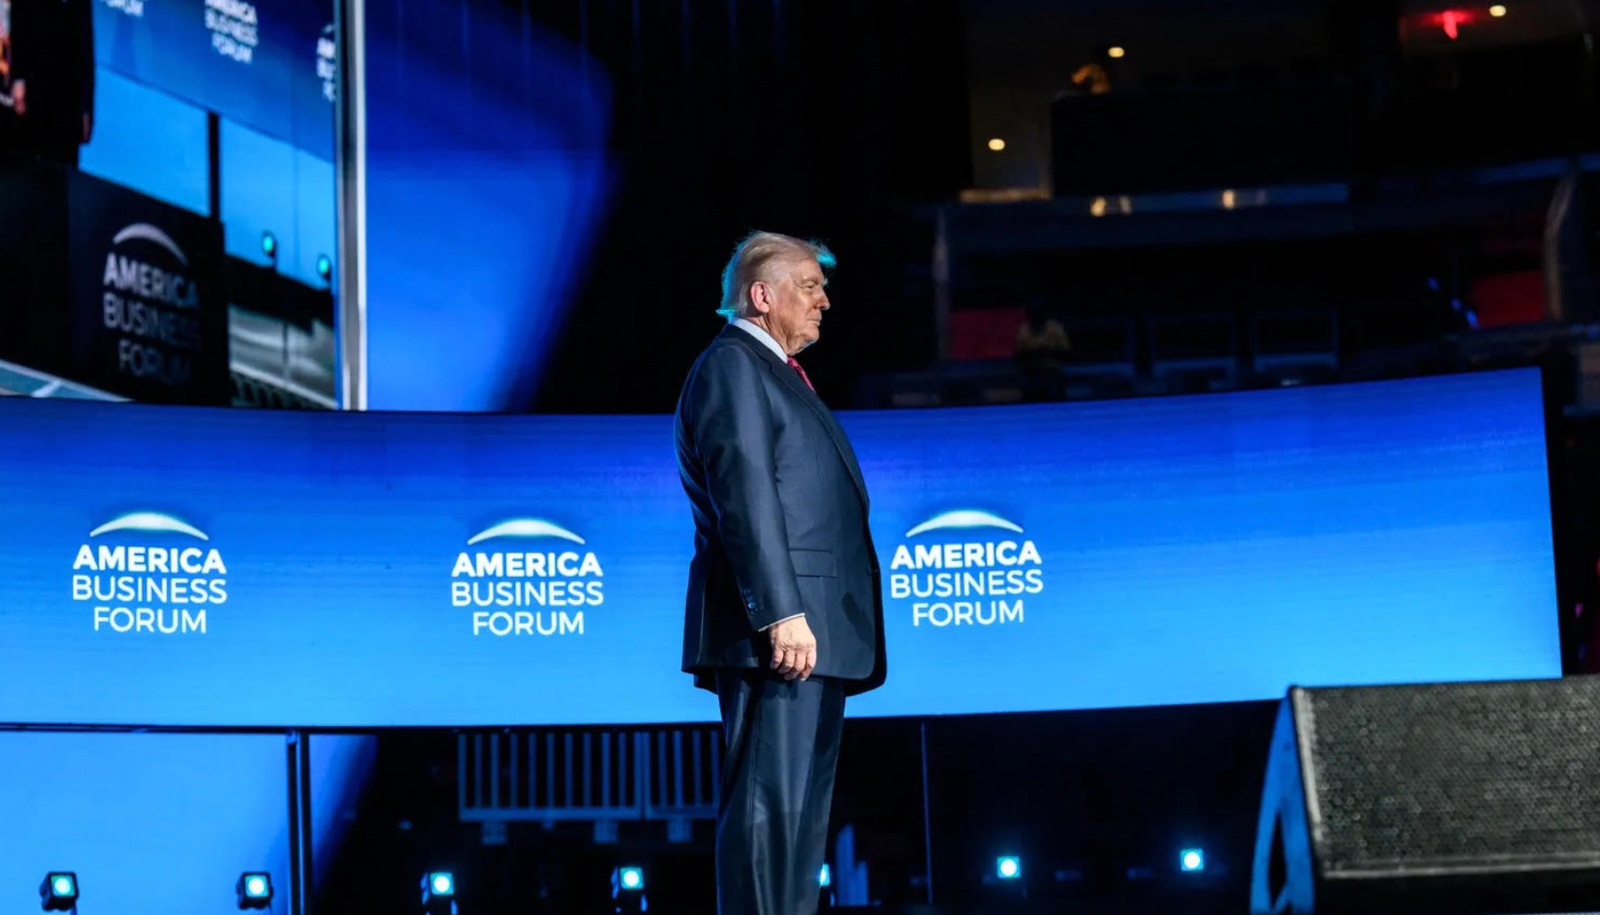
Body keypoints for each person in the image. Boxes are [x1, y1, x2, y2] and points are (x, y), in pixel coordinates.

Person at [674, 231, 886, 915]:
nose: (825, 301)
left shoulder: (776, 373)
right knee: (768, 817)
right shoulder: (733, 365)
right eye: (810, 285)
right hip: (779, 632)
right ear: (762, 295)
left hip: (813, 633)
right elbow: (745, 495)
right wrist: (780, 612)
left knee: (797, 827)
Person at [8, 0, 95, 167]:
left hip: (68, 93)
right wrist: (18, 77)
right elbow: (20, 17)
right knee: (26, 163)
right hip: (35, 82)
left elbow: (85, 41)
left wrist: (85, 108)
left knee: (60, 168)